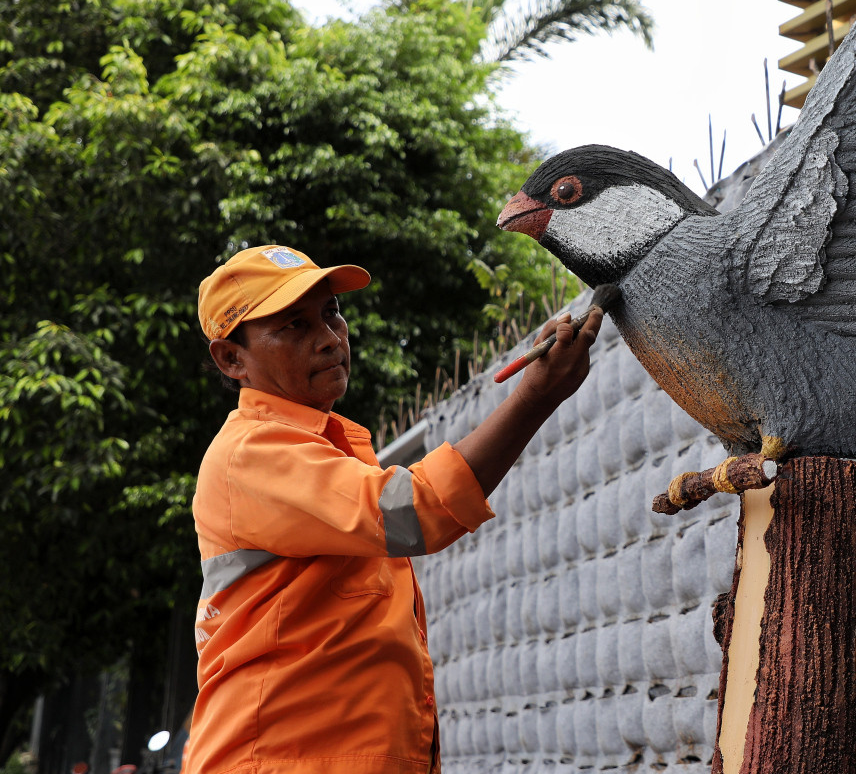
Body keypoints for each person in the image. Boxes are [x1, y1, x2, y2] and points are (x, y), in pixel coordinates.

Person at [184, 245, 602, 774]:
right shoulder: (252, 453)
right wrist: (535, 397)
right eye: (293, 325)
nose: (329, 337)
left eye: (331, 312)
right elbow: (414, 512)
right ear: (232, 359)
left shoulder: (317, 445)